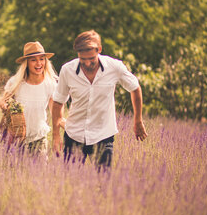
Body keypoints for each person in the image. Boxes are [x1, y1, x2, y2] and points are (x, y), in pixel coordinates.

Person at [52, 30, 147, 169]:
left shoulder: (115, 67)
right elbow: (58, 101)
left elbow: (135, 88)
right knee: (70, 183)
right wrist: (56, 135)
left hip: (103, 136)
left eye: (91, 58)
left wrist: (138, 120)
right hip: (74, 136)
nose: (87, 63)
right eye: (82, 59)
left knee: (104, 183)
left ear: (99, 50)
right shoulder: (67, 70)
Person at [0, 41, 58, 155]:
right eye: (33, 60)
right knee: (14, 171)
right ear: (26, 63)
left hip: (38, 138)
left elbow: (55, 112)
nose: (39, 63)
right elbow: (3, 102)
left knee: (39, 171)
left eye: (41, 59)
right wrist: (4, 106)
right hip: (15, 138)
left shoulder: (50, 84)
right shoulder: (16, 82)